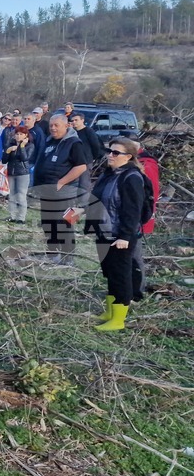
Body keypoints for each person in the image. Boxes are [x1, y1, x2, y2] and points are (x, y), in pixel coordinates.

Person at [87, 137, 147, 331]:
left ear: (128, 156)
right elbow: (99, 199)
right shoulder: (110, 173)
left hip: (119, 236)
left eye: (115, 153)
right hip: (104, 231)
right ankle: (110, 312)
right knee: (110, 273)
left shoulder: (132, 177)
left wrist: (125, 237)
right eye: (109, 151)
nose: (110, 155)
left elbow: (133, 211)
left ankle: (119, 319)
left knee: (121, 276)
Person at [33, 114, 88, 261]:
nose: (52, 128)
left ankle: (67, 258)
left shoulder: (74, 143)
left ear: (66, 126)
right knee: (48, 224)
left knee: (64, 225)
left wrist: (62, 182)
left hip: (65, 192)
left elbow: (81, 166)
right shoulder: (49, 141)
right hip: (47, 191)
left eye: (56, 125)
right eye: (51, 125)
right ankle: (52, 254)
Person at [0, 126, 35, 223]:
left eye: (21, 134)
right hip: (12, 172)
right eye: (17, 134)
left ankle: (21, 217)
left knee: (21, 195)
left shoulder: (30, 145)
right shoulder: (10, 144)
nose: (18, 136)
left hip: (23, 173)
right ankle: (12, 215)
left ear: (25, 136)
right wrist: (8, 151)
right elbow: (4, 160)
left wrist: (22, 147)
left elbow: (25, 158)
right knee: (12, 195)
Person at [70, 112, 105, 191]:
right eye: (72, 120)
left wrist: (93, 157)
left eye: (76, 120)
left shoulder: (88, 131)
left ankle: (84, 202)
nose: (74, 122)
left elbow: (96, 146)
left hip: (86, 161)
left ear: (82, 120)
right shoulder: (72, 132)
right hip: (74, 161)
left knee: (84, 183)